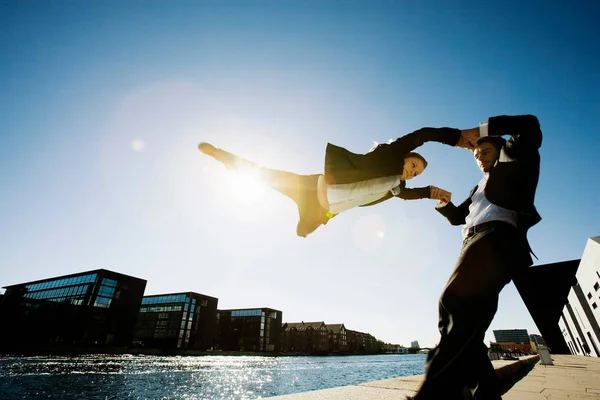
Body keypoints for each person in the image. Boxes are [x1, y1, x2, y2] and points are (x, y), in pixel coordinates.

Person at [410, 114, 543, 400]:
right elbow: (459, 217)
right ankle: (485, 394)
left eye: (485, 151)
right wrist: (443, 203)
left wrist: (479, 130)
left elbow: (529, 125)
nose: (480, 156)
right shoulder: (478, 187)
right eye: (476, 154)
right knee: (470, 330)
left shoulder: (513, 164)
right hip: (474, 243)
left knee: (452, 302)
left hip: (496, 239)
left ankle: (432, 395)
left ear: (500, 149)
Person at [199, 126, 478, 237]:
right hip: (312, 186)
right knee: (266, 175)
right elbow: (424, 134)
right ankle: (222, 156)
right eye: (414, 165)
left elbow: (408, 194)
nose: (412, 172)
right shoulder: (389, 155)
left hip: (319, 208)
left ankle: (307, 223)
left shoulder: (397, 186)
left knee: (301, 231)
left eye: (416, 173)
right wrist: (455, 138)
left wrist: (431, 192)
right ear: (405, 156)